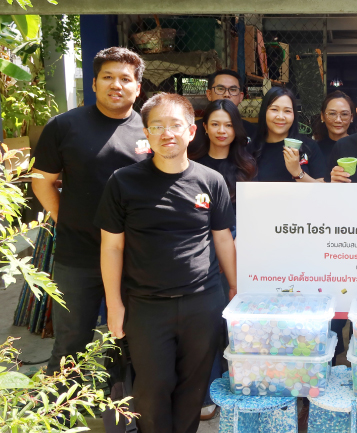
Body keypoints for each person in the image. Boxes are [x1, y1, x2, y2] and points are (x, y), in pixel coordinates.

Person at [96, 93, 237, 433]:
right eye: (157, 126)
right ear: (146, 133)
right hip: (146, 306)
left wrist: (235, 287)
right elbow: (112, 247)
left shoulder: (211, 181)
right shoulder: (123, 182)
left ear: (191, 131)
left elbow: (222, 238)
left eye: (175, 125)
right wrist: (114, 305)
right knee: (151, 389)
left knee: (193, 388)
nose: (166, 133)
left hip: (202, 302)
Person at [31, 47, 151, 375]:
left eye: (125, 79)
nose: (116, 84)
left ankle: (120, 405)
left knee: (129, 341)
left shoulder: (149, 129)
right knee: (70, 343)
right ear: (95, 83)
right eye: (108, 77)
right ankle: (61, 405)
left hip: (134, 256)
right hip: (78, 256)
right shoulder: (64, 126)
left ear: (137, 88)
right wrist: (66, 219)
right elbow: (42, 182)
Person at [189, 98, 256, 420]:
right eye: (215, 124)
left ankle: (241, 384)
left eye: (228, 125)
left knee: (237, 322)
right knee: (208, 323)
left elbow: (254, 210)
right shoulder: (192, 162)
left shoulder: (247, 164)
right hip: (202, 246)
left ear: (236, 129)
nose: (221, 130)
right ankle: (207, 391)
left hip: (241, 244)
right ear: (204, 128)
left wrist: (238, 242)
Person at [254, 86, 326, 182]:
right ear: (264, 112)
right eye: (274, 109)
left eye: (287, 111)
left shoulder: (309, 146)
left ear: (294, 115)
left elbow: (322, 188)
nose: (281, 117)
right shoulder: (251, 149)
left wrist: (297, 172)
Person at [189, 69, 258, 155]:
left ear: (241, 97)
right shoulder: (191, 132)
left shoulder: (253, 132)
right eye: (220, 89)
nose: (227, 94)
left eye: (233, 89)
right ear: (209, 94)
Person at [312, 90, 355, 167]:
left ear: (351, 117)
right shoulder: (314, 149)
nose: (338, 120)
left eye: (344, 114)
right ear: (322, 116)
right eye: (332, 114)